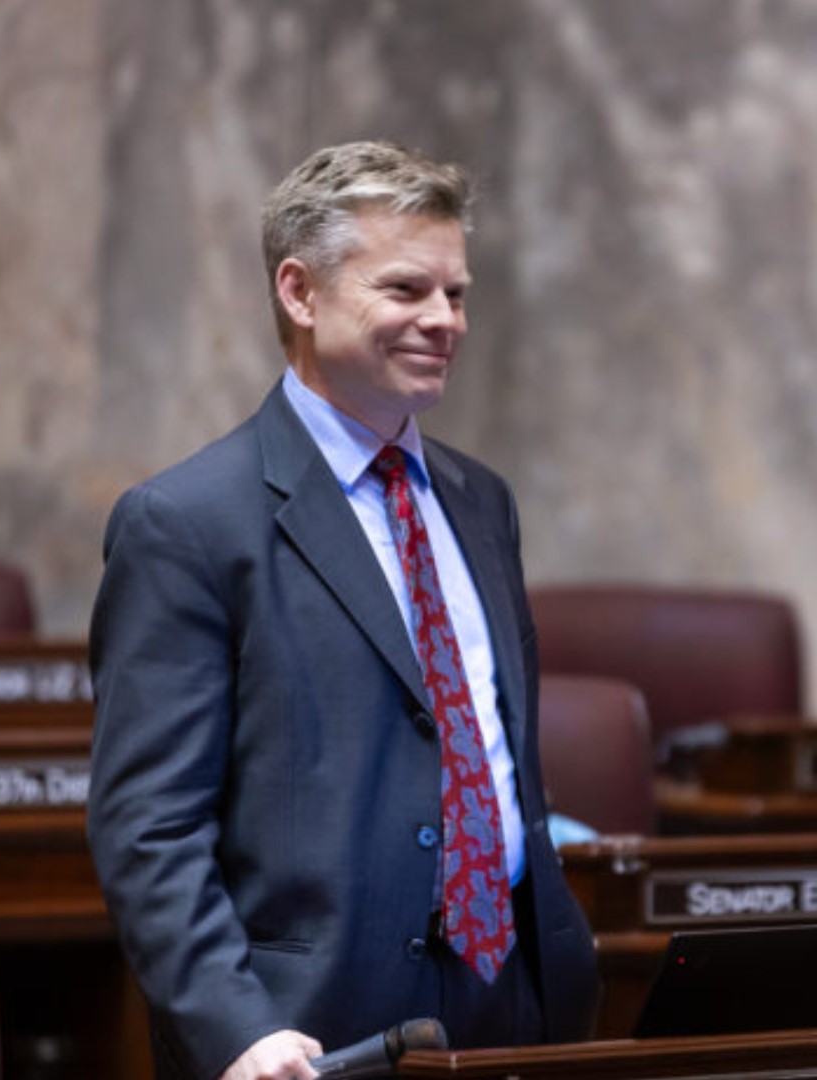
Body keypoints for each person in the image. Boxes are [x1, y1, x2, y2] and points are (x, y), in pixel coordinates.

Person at [87, 141, 600, 1080]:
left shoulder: (482, 502)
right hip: (310, 1035)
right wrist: (234, 1028)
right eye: (406, 290)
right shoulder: (189, 523)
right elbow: (148, 825)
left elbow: (489, 751)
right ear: (299, 292)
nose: (444, 320)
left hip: (516, 1008)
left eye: (457, 293)